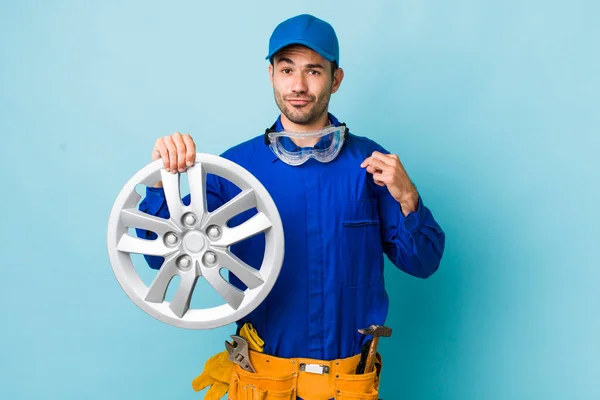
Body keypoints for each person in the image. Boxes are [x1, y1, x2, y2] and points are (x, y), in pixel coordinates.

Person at [137, 14, 445, 400]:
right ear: (271, 75)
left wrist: (408, 197)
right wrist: (162, 177)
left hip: (347, 386)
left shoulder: (372, 164)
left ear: (336, 78)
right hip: (263, 384)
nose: (298, 85)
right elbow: (159, 253)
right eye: (287, 69)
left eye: (314, 71)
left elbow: (424, 262)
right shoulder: (235, 170)